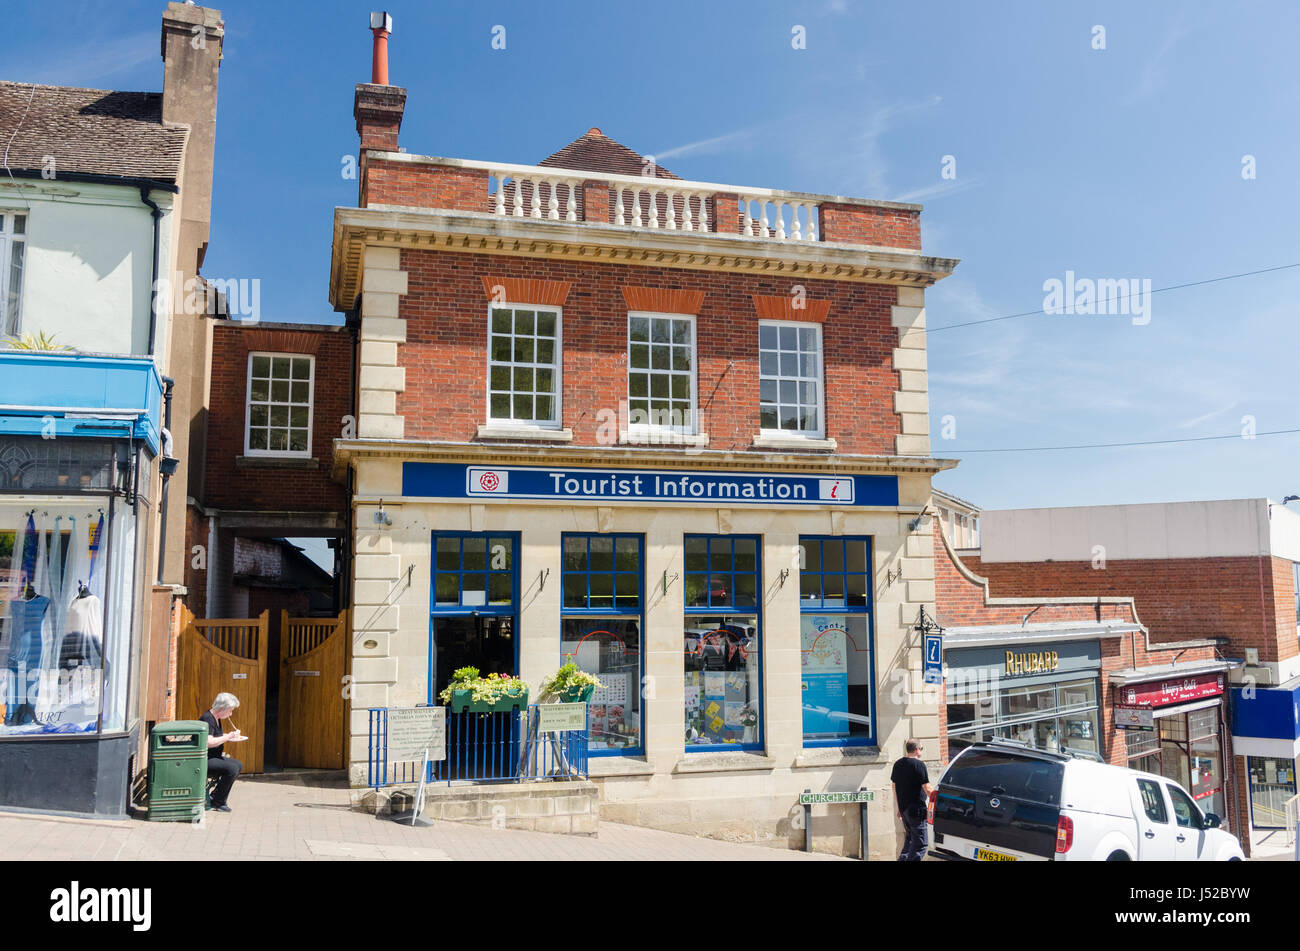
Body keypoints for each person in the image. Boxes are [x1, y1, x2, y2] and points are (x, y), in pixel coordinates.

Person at [199, 693, 243, 812]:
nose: (231, 714)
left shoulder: (216, 718)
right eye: (230, 711)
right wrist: (227, 737)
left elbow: (216, 736)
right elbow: (208, 742)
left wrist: (231, 736)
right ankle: (218, 802)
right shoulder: (208, 718)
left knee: (238, 765)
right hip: (205, 759)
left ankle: (216, 795)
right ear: (222, 708)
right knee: (231, 769)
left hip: (214, 756)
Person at [891, 738, 933, 861]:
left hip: (904, 810)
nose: (921, 751)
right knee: (920, 844)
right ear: (916, 750)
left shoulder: (897, 764)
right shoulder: (919, 765)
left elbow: (894, 787)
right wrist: (939, 798)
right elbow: (927, 788)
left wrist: (899, 808)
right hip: (916, 810)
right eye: (921, 748)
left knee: (910, 841)